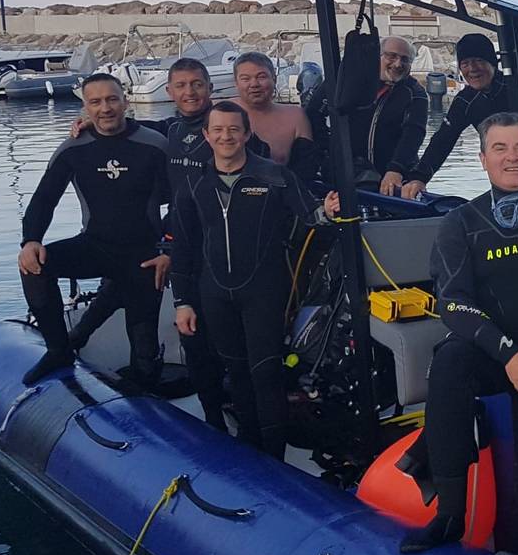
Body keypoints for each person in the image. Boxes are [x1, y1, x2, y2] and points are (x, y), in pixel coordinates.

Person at [398, 113, 518, 555]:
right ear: (484, 160)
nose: (512, 158)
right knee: (450, 360)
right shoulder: (461, 223)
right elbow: (452, 303)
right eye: (500, 149)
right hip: (503, 355)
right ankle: (450, 512)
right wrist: (509, 354)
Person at [66, 57, 271, 426]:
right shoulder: (168, 132)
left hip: (222, 252)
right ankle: (209, 418)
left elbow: (257, 180)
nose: (189, 92)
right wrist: (90, 122)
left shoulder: (232, 133)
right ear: (170, 92)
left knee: (227, 346)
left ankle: (248, 423)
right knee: (192, 341)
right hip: (182, 245)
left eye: (197, 84)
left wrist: (168, 248)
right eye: (181, 85)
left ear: (210, 88)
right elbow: (125, 130)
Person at [169, 101, 337, 457]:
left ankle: (274, 456)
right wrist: (182, 301)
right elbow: (182, 247)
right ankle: (248, 449)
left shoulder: (274, 176)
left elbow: (311, 215)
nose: (226, 136)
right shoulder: (194, 184)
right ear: (206, 136)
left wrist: (328, 210)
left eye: (234, 129)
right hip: (214, 293)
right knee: (236, 371)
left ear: (247, 134)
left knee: (266, 373)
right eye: (218, 130)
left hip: (264, 291)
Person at [18, 74, 170, 386]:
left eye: (112, 99)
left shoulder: (155, 145)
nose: (105, 108)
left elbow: (183, 201)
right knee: (34, 266)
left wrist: (169, 248)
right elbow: (45, 198)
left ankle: (146, 375)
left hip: (144, 257)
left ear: (125, 100)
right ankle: (58, 350)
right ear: (85, 107)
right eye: (96, 102)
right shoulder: (74, 147)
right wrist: (31, 240)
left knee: (144, 359)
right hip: (96, 247)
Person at [401, 33, 516, 200]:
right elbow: (442, 140)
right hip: (501, 168)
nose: (472, 69)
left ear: (492, 62)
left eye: (478, 60)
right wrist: (419, 178)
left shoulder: (516, 85)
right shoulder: (466, 100)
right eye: (465, 63)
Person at [349, 36, 427, 195]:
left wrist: (396, 169)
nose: (398, 64)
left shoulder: (415, 93)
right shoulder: (352, 83)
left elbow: (414, 133)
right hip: (353, 174)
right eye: (391, 56)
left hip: (397, 176)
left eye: (405, 59)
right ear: (378, 56)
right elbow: (316, 115)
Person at [233, 52, 318, 179]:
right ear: (236, 83)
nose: (254, 84)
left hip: (281, 187)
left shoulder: (295, 116)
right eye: (245, 79)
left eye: (261, 77)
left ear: (274, 79)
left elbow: (306, 170)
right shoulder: (221, 113)